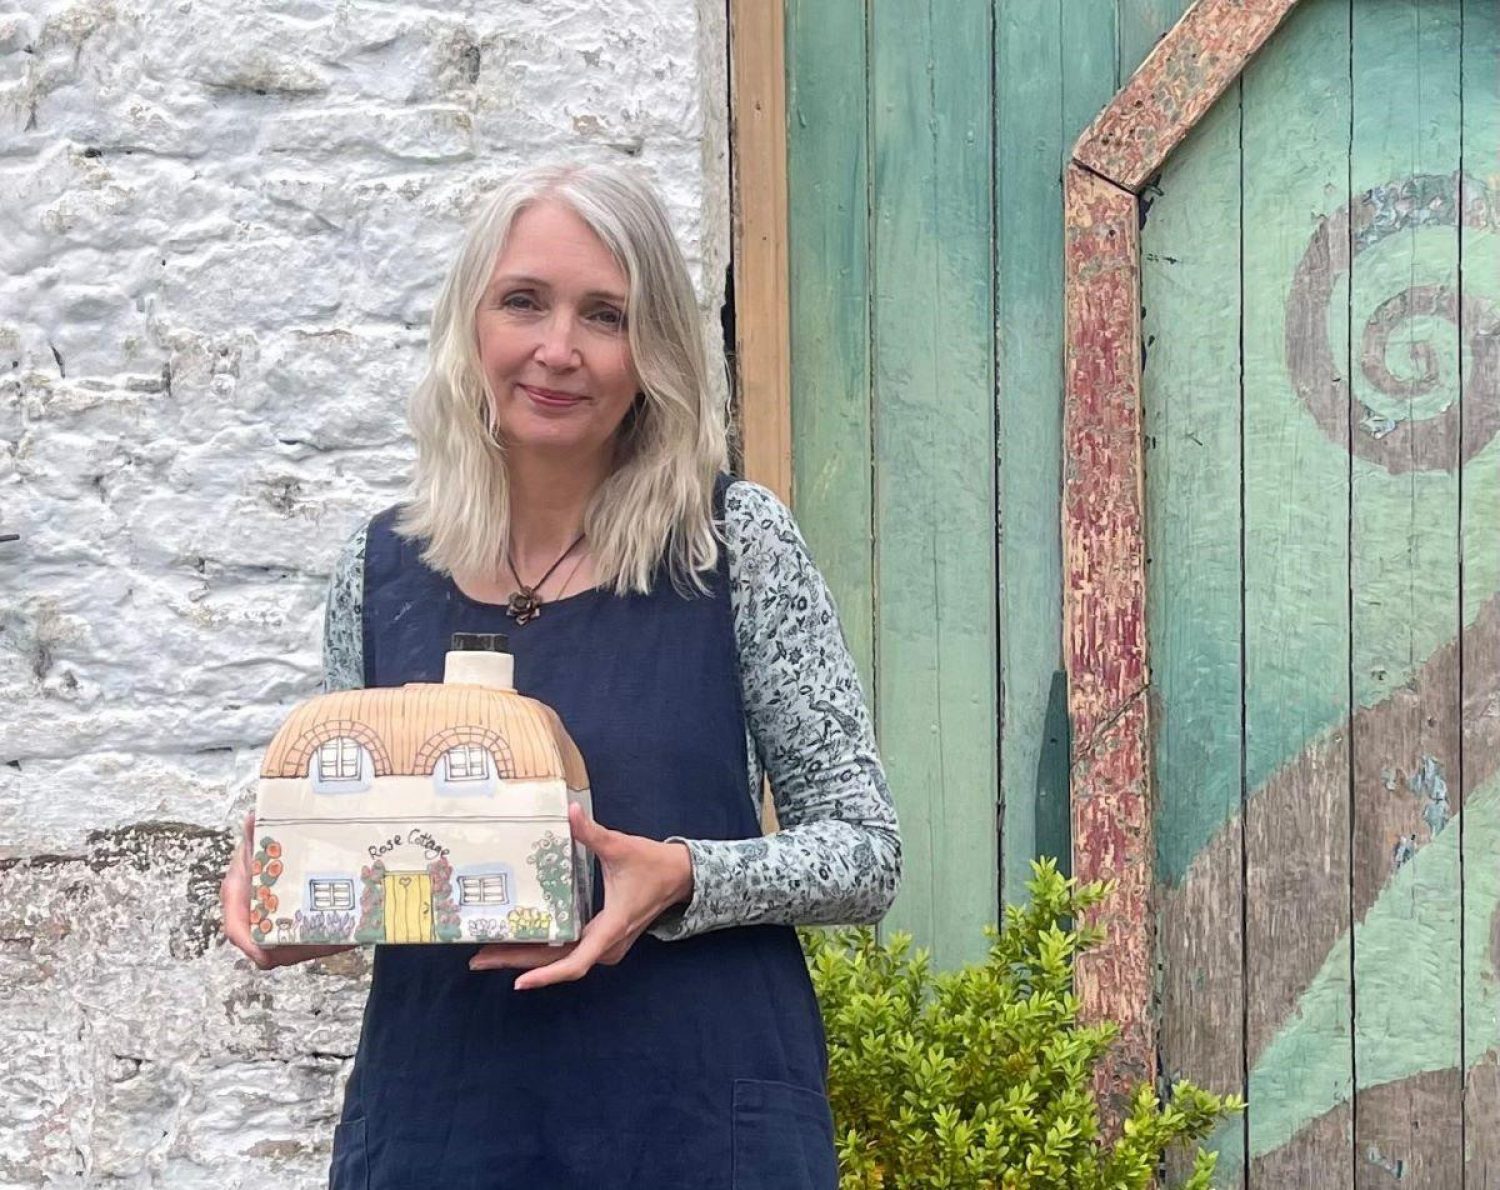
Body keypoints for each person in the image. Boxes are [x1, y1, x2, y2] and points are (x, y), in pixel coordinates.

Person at [219, 160, 901, 1189]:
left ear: (654, 349)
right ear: (472, 326)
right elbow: (378, 862)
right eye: (524, 302)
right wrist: (296, 897)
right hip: (447, 1124)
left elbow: (865, 852)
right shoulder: (383, 570)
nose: (557, 349)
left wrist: (683, 876)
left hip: (698, 1120)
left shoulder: (730, 545)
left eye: (606, 315)